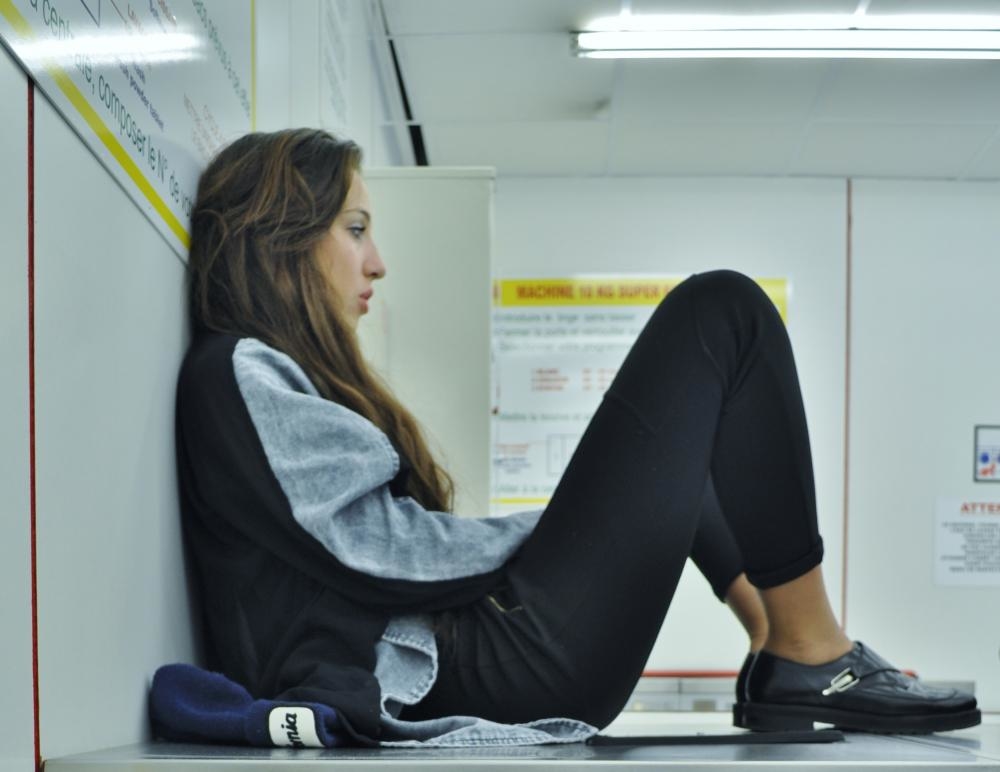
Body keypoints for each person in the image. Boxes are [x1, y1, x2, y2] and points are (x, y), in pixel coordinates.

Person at [174, 127, 979, 747]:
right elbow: (373, 548)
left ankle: (781, 643)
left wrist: (590, 521)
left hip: (488, 661)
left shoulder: (263, 376)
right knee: (723, 312)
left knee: (690, 438)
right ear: (283, 234)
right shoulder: (237, 369)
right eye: (355, 228)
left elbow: (363, 547)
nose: (377, 262)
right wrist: (568, 527)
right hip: (481, 669)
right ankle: (813, 655)